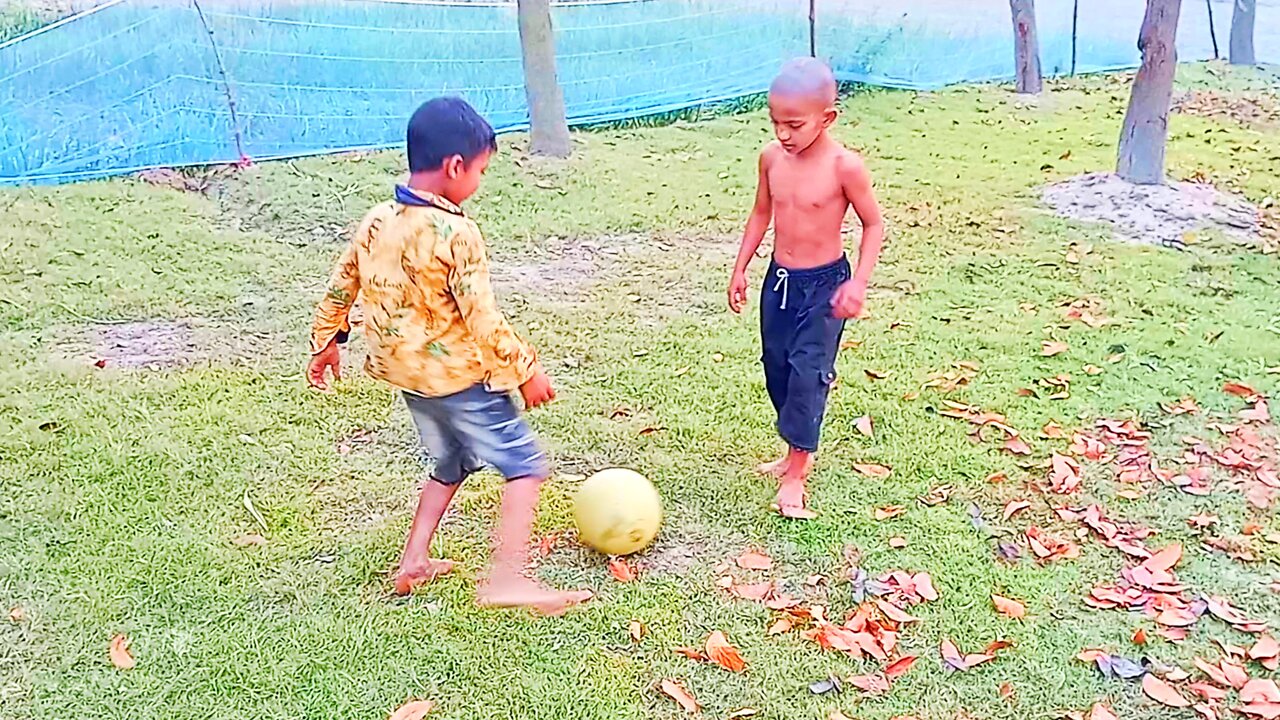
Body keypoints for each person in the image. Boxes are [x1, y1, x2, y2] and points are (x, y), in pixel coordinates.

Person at [306, 97, 591, 615]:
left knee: (450, 464)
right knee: (525, 468)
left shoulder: (378, 219)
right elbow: (483, 318)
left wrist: (326, 342)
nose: (479, 182)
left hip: (409, 378)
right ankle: (507, 579)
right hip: (460, 379)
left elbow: (341, 284)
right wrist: (526, 369)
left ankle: (413, 559)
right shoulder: (456, 233)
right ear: (455, 167)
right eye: (481, 171)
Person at [727, 58, 885, 520]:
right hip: (779, 282)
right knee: (776, 366)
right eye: (775, 122)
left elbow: (873, 225)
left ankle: (797, 472)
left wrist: (858, 283)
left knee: (807, 373)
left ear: (827, 118)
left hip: (825, 286)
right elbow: (761, 213)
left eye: (794, 125)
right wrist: (740, 268)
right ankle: (793, 448)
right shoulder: (771, 159)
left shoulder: (844, 167)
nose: (782, 134)